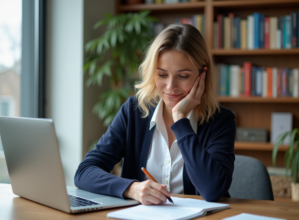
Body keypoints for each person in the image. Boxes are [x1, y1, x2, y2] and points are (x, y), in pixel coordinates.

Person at [74, 24, 236, 204]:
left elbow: (212, 190)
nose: (170, 87)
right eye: (162, 74)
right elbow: (84, 172)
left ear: (202, 75)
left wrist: (181, 120)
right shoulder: (134, 110)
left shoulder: (221, 120)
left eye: (183, 76)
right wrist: (131, 188)